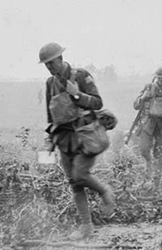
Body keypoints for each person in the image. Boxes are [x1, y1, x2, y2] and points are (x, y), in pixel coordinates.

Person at [40, 42, 115, 240]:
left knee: (81, 174)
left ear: (61, 59)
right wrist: (50, 140)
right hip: (64, 138)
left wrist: (77, 94)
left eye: (51, 63)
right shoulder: (50, 83)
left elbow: (98, 102)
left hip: (86, 135)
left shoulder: (81, 75)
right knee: (74, 183)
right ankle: (86, 227)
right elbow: (51, 115)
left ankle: (105, 191)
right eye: (46, 65)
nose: (49, 67)